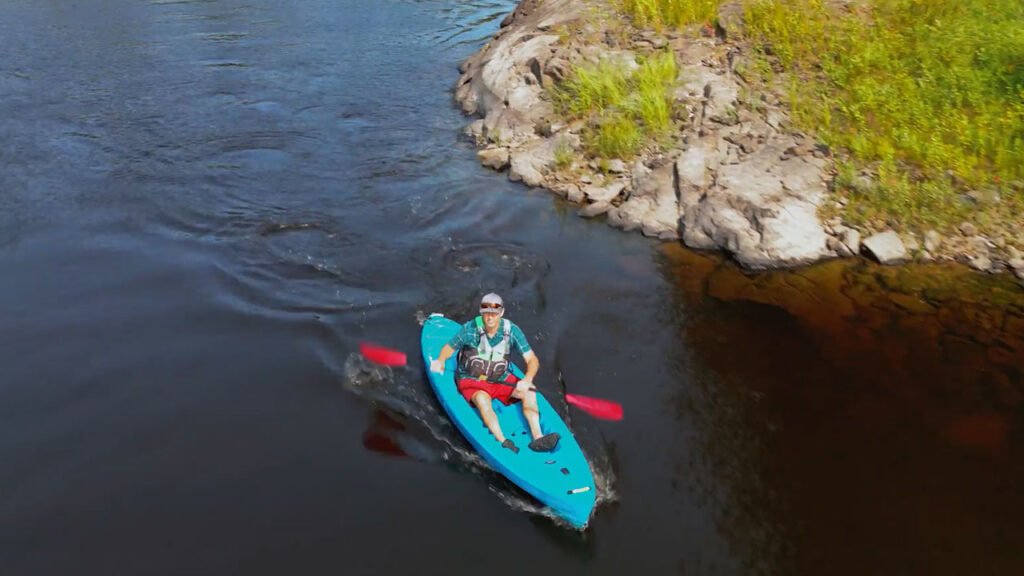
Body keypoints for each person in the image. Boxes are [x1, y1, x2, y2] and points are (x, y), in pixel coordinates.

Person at [430, 293, 559, 454]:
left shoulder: (512, 331)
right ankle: (502, 440)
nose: (490, 317)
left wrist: (527, 379)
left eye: (494, 313)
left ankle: (538, 437)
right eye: (486, 313)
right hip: (472, 379)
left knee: (530, 391)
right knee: (482, 400)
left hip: (500, 378)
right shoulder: (469, 330)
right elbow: (449, 348)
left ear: (501, 313)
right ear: (481, 312)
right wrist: (441, 361)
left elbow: (532, 359)